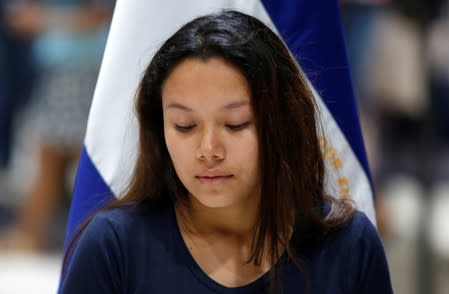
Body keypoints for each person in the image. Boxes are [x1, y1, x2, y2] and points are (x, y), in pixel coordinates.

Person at [60, 10, 393, 293]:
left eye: (235, 124)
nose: (209, 150)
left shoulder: (349, 246)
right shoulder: (113, 246)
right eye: (184, 126)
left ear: (282, 123)